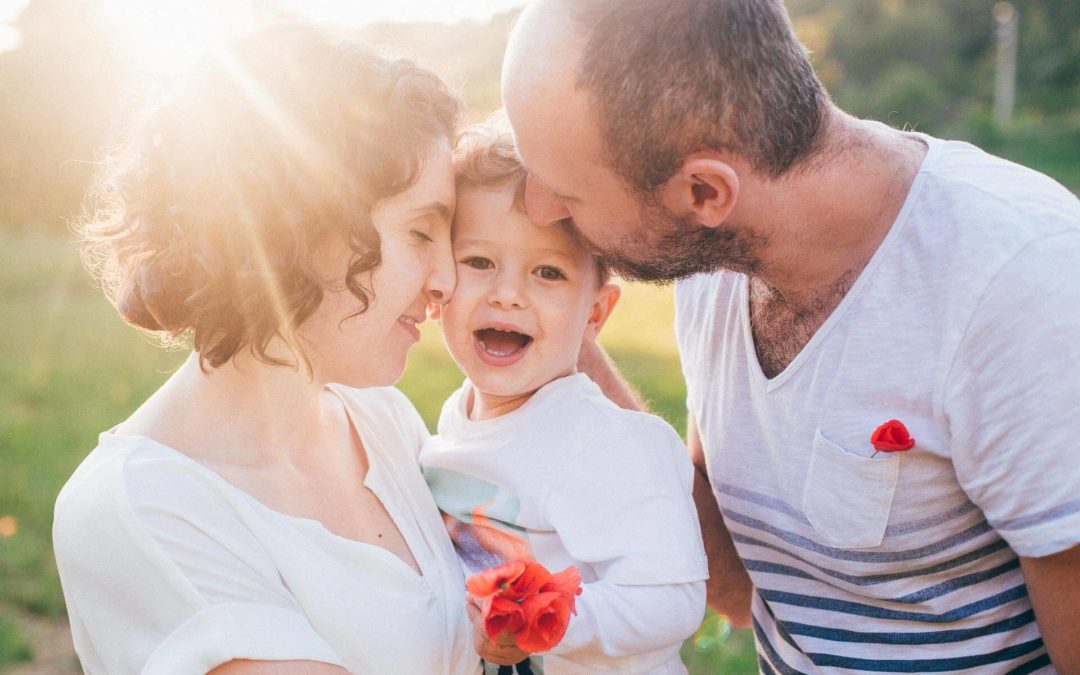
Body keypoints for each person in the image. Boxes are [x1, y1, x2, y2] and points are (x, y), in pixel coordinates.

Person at [501, 0, 1080, 672]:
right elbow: (740, 587)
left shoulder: (1020, 286)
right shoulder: (714, 265)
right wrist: (568, 347)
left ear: (705, 192)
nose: (541, 208)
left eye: (565, 191)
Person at [53, 24, 481, 674]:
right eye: (422, 231)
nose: (446, 279)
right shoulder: (138, 507)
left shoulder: (384, 421)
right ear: (302, 223)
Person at [419, 125, 708, 674]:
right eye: (479, 262)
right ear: (438, 287)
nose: (507, 293)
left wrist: (543, 621)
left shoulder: (612, 444)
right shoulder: (457, 417)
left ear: (595, 314)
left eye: (547, 272)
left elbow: (671, 602)